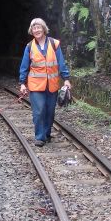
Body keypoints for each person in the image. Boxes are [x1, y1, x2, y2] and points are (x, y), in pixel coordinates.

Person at [19, 18, 72, 147]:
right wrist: (22, 83)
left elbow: (61, 62)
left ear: (44, 28)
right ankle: (39, 137)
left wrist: (66, 79)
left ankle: (47, 134)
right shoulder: (29, 47)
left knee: (50, 111)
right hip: (36, 86)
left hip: (52, 85)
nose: (36, 30)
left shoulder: (54, 44)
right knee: (39, 110)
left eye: (38, 27)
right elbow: (24, 66)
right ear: (31, 31)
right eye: (34, 28)